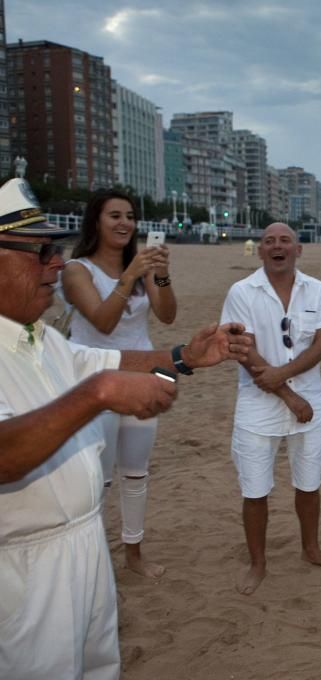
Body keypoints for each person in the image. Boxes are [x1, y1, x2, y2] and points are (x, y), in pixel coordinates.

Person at [0, 177, 250, 680]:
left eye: (54, 247)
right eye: (39, 251)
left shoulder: (42, 340)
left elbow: (114, 360)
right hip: (23, 572)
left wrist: (187, 358)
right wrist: (98, 395)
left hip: (86, 551)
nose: (54, 261)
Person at [60, 189, 176, 579]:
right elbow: (103, 321)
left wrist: (158, 273)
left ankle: (134, 554)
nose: (125, 223)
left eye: (129, 216)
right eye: (114, 216)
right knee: (99, 478)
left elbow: (168, 315)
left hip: (142, 376)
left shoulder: (141, 268)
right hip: (96, 380)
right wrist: (129, 276)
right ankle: (94, 560)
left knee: (136, 473)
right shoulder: (77, 271)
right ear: (96, 221)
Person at [220, 223, 321, 595]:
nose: (277, 246)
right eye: (269, 241)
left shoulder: (317, 289)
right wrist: (287, 393)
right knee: (255, 490)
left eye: (285, 240)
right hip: (258, 403)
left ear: (298, 250)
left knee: (309, 483)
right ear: (260, 251)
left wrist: (283, 377)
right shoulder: (242, 291)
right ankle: (258, 563)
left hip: (309, 400)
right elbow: (242, 348)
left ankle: (311, 548)